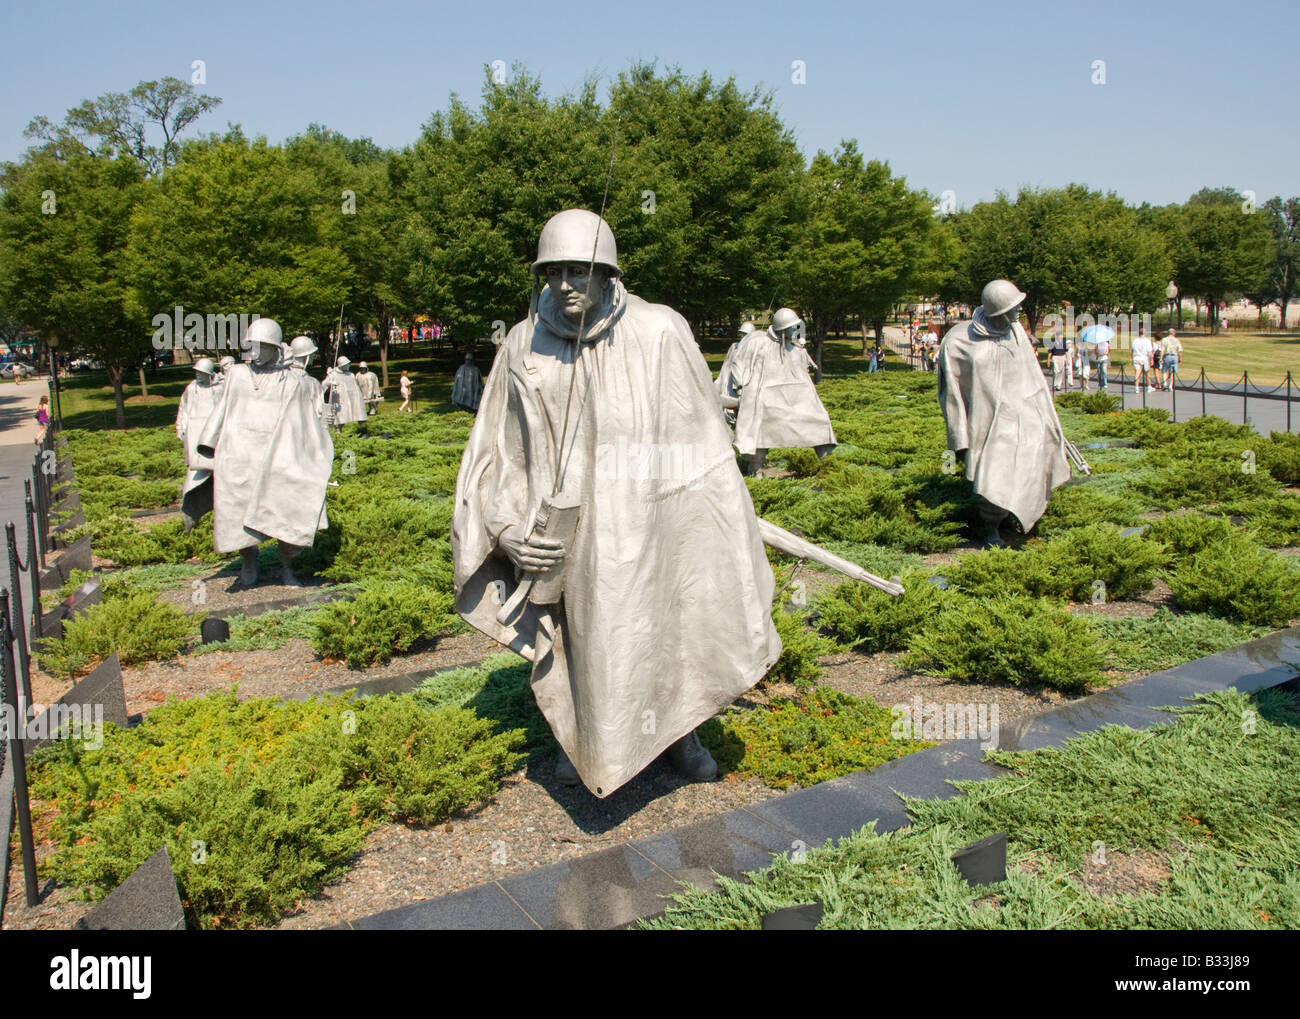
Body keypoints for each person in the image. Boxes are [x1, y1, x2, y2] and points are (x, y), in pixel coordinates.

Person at [452, 208, 781, 798]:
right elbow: (498, 450)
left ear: (607, 273)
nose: (564, 284)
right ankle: (577, 737)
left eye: (579, 270)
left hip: (652, 519)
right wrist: (503, 528)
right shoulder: (522, 343)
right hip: (568, 530)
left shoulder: (660, 331)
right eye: (553, 272)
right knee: (580, 632)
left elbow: (702, 440)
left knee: (669, 621)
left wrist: (713, 517)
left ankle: (682, 732)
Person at [196, 318, 334, 589]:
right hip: (239, 455)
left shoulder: (292, 379)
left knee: (286, 510)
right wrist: (207, 445)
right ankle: (249, 562)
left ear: (276, 347)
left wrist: (316, 448)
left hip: (278, 455)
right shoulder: (237, 375)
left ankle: (287, 567)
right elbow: (222, 408)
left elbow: (306, 420)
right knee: (238, 514)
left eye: (263, 346)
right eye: (253, 346)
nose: (256, 353)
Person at [937, 280, 1074, 547]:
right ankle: (992, 527)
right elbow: (951, 393)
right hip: (986, 422)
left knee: (1029, 465)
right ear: (998, 310)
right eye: (1013, 306)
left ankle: (1019, 512)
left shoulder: (1016, 332)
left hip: (1024, 416)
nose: (1019, 310)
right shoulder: (960, 341)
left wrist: (1048, 419)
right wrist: (958, 438)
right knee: (993, 476)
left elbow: (1033, 377)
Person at [731, 308, 837, 476]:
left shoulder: (795, 348)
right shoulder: (759, 344)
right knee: (759, 430)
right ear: (782, 328)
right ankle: (755, 468)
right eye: (792, 327)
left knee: (819, 419)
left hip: (793, 399)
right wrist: (739, 387)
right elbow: (739, 364)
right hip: (765, 400)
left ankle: (828, 465)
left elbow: (802, 374)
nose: (795, 329)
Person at [175, 357, 222, 530]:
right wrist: (181, 427)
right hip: (194, 433)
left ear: (209, 374)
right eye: (197, 373)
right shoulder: (191, 389)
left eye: (202, 373)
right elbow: (183, 410)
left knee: (215, 469)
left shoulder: (219, 389)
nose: (198, 376)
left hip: (213, 437)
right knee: (196, 470)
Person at [322, 356, 367, 430]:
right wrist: (330, 383)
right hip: (340, 399)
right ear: (342, 365)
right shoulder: (333, 374)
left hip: (352, 398)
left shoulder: (351, 375)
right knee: (340, 416)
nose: (349, 365)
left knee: (358, 413)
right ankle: (338, 430)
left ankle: (362, 429)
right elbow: (324, 384)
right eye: (347, 364)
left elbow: (356, 388)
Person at [1131, 328, 1155, 393]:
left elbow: (1132, 351)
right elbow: (1149, 352)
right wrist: (1151, 359)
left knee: (1137, 372)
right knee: (1147, 373)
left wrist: (1132, 358)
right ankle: (1149, 387)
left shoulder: (1135, 341)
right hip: (1144, 358)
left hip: (1136, 357)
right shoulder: (1147, 341)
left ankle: (1136, 387)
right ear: (1145, 333)